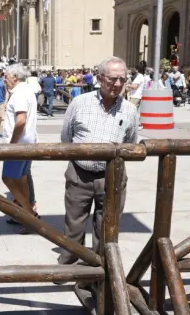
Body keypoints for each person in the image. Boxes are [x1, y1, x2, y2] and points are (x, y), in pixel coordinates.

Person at [59, 57, 138, 263]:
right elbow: (66, 137)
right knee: (74, 223)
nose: (118, 84)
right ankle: (67, 263)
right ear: (100, 78)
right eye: (113, 79)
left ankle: (100, 269)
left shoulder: (130, 110)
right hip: (79, 175)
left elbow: (131, 142)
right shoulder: (79, 103)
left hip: (112, 177)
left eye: (122, 79)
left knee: (107, 227)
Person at [1, 64, 38, 231]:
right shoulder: (26, 90)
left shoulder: (20, 93)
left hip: (19, 144)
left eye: (6, 77)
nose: (4, 80)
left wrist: (12, 144)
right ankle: (26, 212)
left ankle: (29, 215)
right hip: (28, 143)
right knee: (22, 179)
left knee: (7, 178)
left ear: (15, 77)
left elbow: (20, 120)